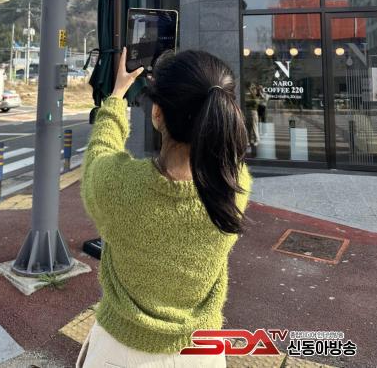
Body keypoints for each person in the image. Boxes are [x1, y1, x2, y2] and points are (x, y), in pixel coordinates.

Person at [77, 47, 252, 367]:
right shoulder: (234, 187)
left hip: (119, 350)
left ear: (157, 113)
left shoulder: (116, 185)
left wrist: (116, 97)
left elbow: (99, 153)